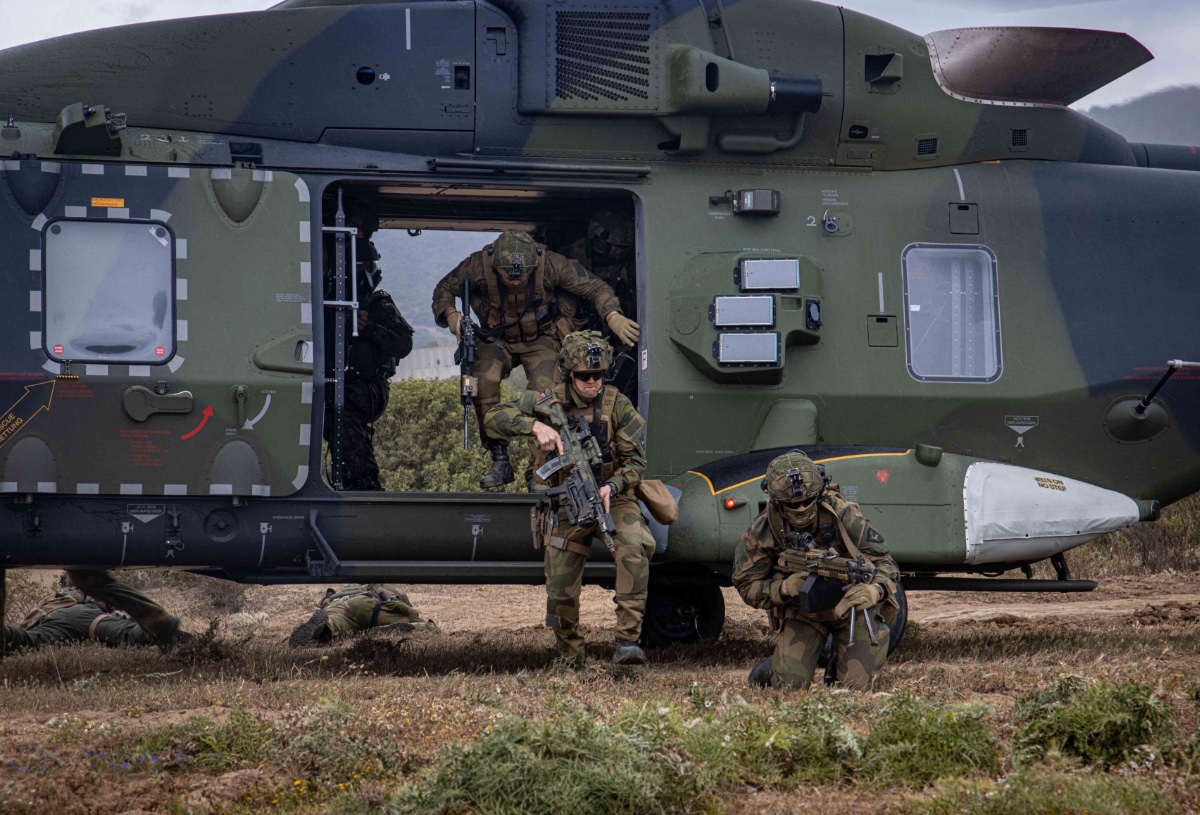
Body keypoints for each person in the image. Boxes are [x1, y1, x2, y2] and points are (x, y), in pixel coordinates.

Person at [484, 331, 654, 667]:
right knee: (560, 586)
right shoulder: (547, 400)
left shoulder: (617, 404)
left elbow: (637, 463)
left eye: (598, 375)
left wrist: (614, 486)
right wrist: (535, 426)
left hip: (612, 498)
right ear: (568, 374)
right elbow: (492, 419)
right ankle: (570, 657)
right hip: (565, 502)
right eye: (584, 377)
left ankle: (627, 644)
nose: (592, 382)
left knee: (633, 549)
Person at [432, 230, 640, 489]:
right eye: (509, 276)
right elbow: (444, 289)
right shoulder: (477, 265)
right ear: (497, 266)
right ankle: (499, 457)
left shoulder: (551, 264)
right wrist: (452, 315)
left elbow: (595, 286)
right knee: (483, 380)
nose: (516, 281)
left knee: (546, 396)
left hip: (540, 338)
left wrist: (612, 315)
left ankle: (539, 466)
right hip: (496, 337)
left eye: (523, 275)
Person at [733, 451, 898, 690]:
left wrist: (876, 590)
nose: (800, 508)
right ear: (776, 502)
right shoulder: (764, 530)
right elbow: (746, 583)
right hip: (804, 612)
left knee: (855, 688)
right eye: (792, 505)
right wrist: (783, 588)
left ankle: (838, 665)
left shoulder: (843, 515)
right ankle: (774, 668)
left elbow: (885, 562)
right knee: (788, 687)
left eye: (807, 501)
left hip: (851, 609)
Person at [323, 211, 414, 490]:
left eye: (369, 266)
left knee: (343, 412)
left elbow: (404, 344)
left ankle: (366, 482)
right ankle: (351, 479)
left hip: (370, 387)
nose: (367, 271)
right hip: (334, 383)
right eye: (361, 265)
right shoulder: (327, 304)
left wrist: (369, 329)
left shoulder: (378, 304)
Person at [4, 586, 161, 651]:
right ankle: (176, 636)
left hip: (52, 617)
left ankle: (6, 632)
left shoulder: (64, 592)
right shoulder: (89, 592)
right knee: (127, 634)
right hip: (83, 617)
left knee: (26, 642)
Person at [63, 569, 181, 651]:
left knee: (87, 578)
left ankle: (159, 622)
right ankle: (159, 622)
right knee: (86, 579)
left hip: (83, 615)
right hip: (80, 614)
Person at [288, 584, 438, 647]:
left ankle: (322, 629)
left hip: (340, 604)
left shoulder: (347, 586)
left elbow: (327, 598)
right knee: (426, 626)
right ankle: (390, 629)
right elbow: (408, 610)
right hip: (374, 605)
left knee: (335, 625)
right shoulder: (391, 588)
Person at [559, 208, 637, 323]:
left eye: (622, 247)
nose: (617, 251)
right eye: (615, 245)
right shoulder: (570, 257)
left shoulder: (628, 263)